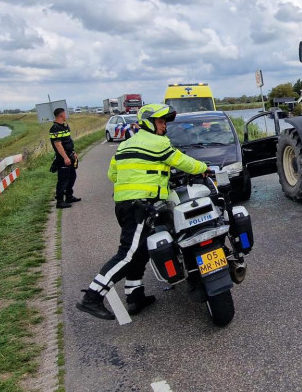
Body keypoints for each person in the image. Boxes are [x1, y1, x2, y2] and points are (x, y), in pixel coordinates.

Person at [76, 103, 212, 320]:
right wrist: (204, 168)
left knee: (140, 251)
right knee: (128, 254)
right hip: (140, 206)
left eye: (165, 122)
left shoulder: (125, 145)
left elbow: (113, 174)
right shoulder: (158, 143)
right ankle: (92, 297)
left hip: (124, 205)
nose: (164, 126)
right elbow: (181, 161)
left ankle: (135, 295)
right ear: (149, 123)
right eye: (160, 122)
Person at [50, 108, 79, 209]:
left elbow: (68, 142)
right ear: (61, 115)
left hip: (69, 155)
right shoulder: (55, 128)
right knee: (63, 180)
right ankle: (60, 201)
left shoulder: (64, 127)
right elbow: (58, 145)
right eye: (65, 114)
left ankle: (69, 196)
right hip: (62, 158)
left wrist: (73, 152)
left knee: (72, 177)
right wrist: (66, 158)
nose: (66, 116)